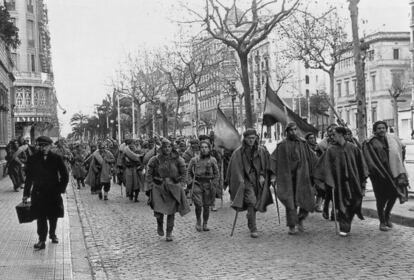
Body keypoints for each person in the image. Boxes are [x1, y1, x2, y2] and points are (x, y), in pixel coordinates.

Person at [313, 126, 368, 237]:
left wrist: (363, 180)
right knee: (341, 205)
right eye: (331, 135)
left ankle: (347, 221)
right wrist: (329, 179)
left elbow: (361, 165)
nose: (331, 137)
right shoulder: (330, 150)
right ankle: (344, 226)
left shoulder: (353, 148)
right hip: (338, 183)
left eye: (334, 135)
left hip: (353, 182)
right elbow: (324, 166)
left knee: (354, 203)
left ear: (341, 135)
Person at [225, 128, 274, 238]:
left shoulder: (262, 151)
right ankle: (253, 228)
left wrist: (263, 175)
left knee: (256, 203)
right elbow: (234, 168)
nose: (252, 140)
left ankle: (250, 216)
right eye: (249, 138)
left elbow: (267, 164)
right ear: (245, 139)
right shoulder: (238, 153)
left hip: (258, 180)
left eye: (253, 138)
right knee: (252, 201)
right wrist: (240, 180)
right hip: (245, 180)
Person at [22, 136, 69, 250]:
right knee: (40, 217)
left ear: (50, 146)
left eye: (45, 146)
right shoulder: (33, 159)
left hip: (53, 192)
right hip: (38, 193)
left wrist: (60, 189)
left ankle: (52, 234)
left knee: (53, 215)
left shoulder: (57, 158)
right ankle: (41, 240)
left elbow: (65, 175)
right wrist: (26, 193)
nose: (43, 148)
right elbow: (29, 178)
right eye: (41, 146)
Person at [362, 121, 409, 231]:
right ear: (375, 130)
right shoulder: (370, 142)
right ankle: (382, 221)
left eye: (383, 128)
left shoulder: (392, 139)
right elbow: (369, 159)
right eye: (379, 128)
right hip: (379, 174)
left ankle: (387, 215)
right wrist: (376, 172)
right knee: (381, 198)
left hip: (392, 172)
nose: (382, 130)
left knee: (393, 195)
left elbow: (401, 152)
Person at [271, 123, 317, 235]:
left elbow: (312, 158)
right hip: (287, 178)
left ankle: (300, 218)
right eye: (291, 130)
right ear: (287, 132)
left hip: (302, 177)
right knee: (290, 203)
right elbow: (274, 160)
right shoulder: (281, 145)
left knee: (306, 199)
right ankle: (292, 225)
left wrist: (316, 171)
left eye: (295, 130)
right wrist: (273, 176)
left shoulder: (303, 143)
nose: (293, 132)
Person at [145, 138, 190, 241]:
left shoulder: (178, 159)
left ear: (172, 148)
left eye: (169, 147)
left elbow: (184, 172)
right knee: (159, 210)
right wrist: (151, 184)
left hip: (173, 188)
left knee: (171, 212)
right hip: (158, 187)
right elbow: (149, 173)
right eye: (165, 147)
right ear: (161, 148)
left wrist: (182, 184)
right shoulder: (155, 160)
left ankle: (169, 233)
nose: (167, 149)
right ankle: (159, 224)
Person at [187, 140, 219, 232]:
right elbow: (188, 172)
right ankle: (198, 221)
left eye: (206, 147)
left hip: (208, 185)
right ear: (199, 149)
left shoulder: (212, 160)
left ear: (209, 149)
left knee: (206, 206)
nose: (204, 149)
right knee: (198, 204)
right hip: (197, 183)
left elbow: (217, 173)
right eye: (202, 147)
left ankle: (205, 223)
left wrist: (214, 183)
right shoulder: (194, 160)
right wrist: (190, 182)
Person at [305, 132, 323, 213]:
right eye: (310, 138)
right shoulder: (305, 149)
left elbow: (322, 156)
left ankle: (318, 205)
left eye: (313, 138)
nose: (312, 140)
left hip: (318, 171)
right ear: (307, 140)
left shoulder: (318, 147)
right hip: (308, 171)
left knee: (321, 188)